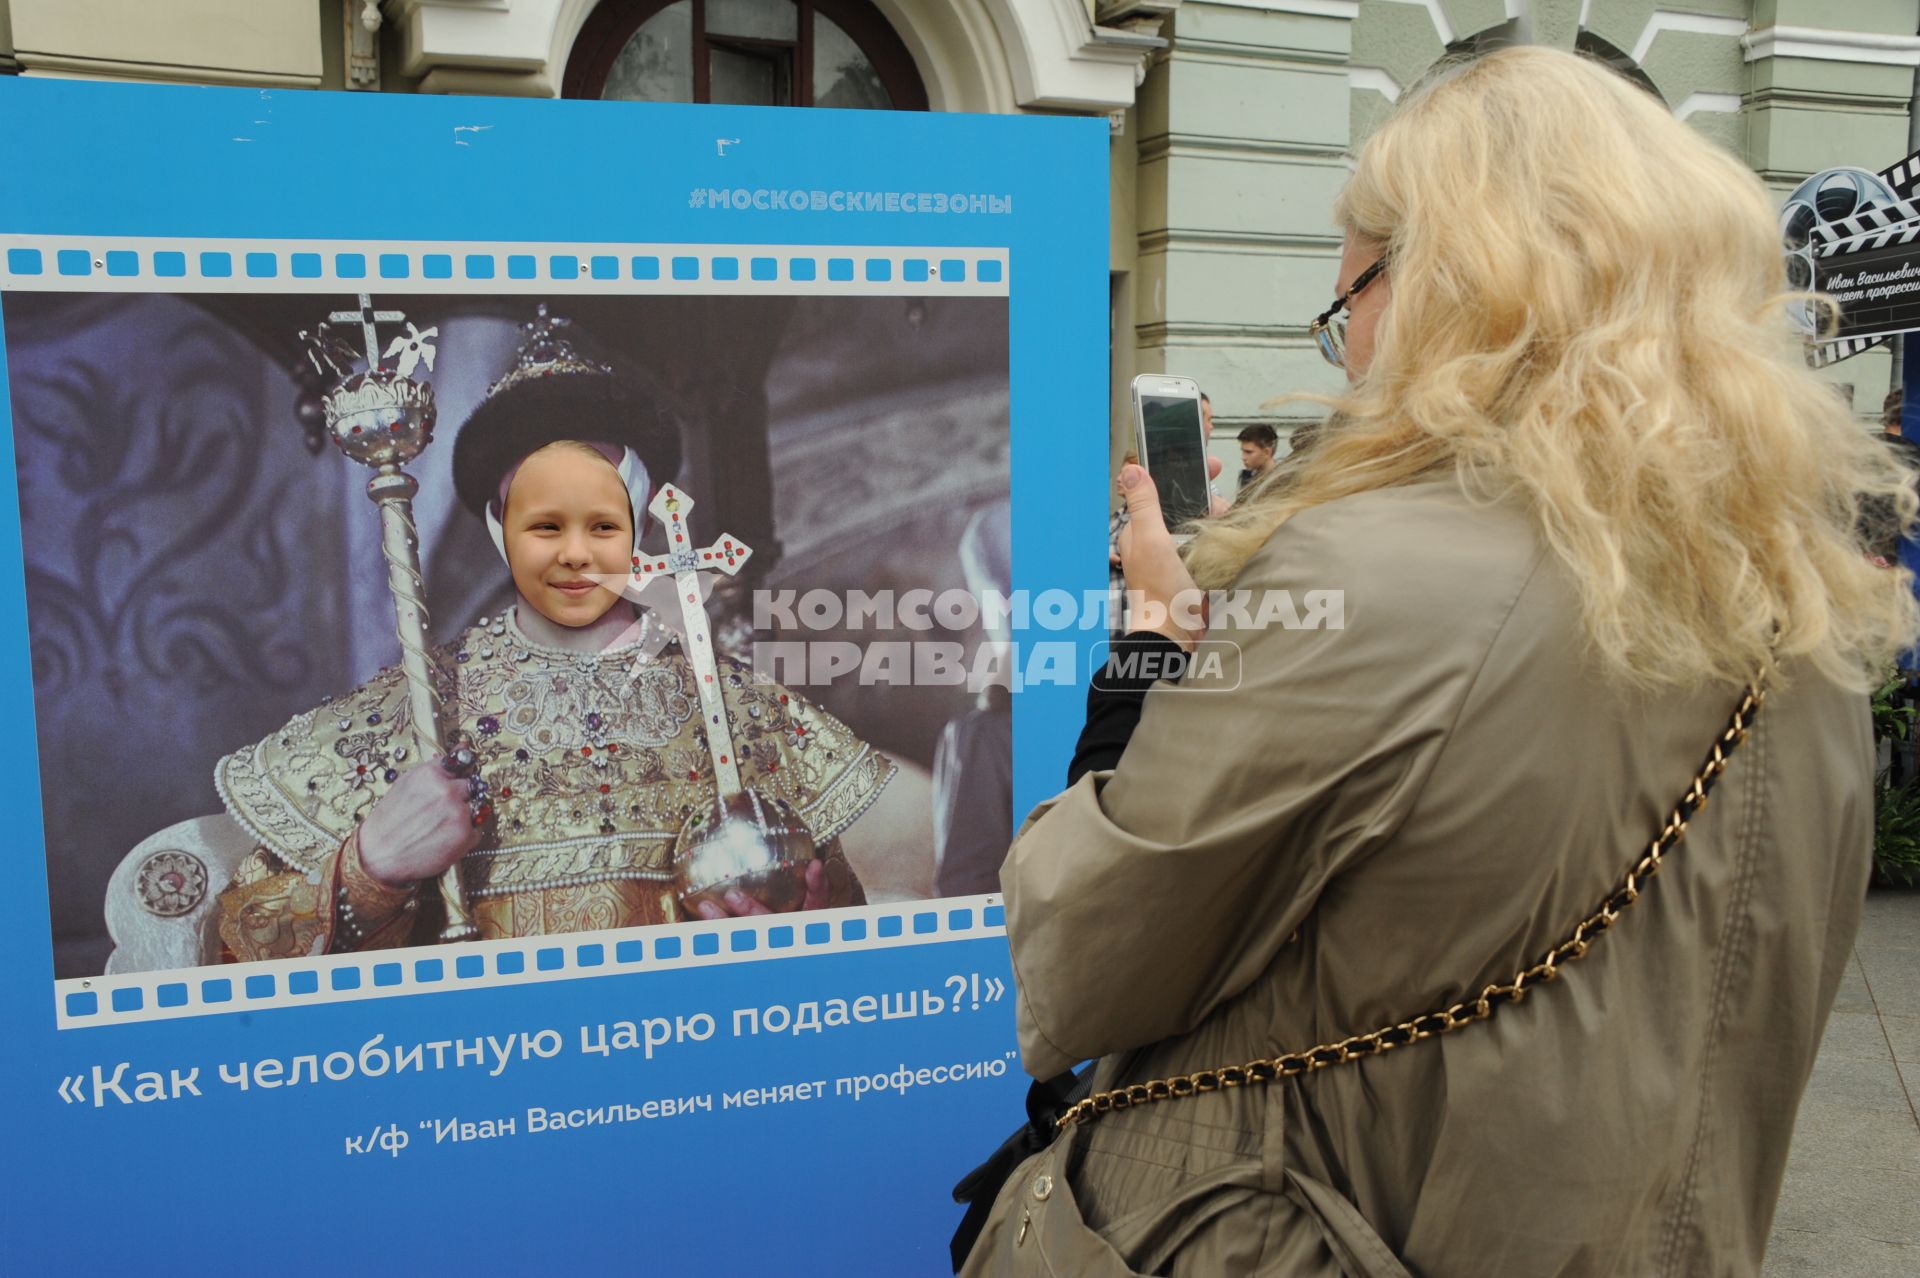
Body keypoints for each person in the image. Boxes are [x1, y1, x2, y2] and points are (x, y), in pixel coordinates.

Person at [961, 47, 1918, 1277]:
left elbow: (1078, 959)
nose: (1349, 351)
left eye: (1347, 301)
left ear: (1443, 282)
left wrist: (1149, 647)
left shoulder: (1366, 569)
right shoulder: (1811, 612)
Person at [107, 310, 933, 966]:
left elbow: (847, 919)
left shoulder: (733, 703)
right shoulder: (424, 711)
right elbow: (241, 944)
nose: (575, 552)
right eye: (544, 523)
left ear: (640, 524)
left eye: (602, 521)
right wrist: (372, 865)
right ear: (502, 533)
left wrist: (801, 915)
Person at [1236, 423, 1278, 489]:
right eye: (1243, 451)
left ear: (1267, 452)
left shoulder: (1282, 479)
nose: (1243, 457)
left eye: (1249, 452)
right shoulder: (1247, 477)